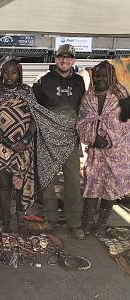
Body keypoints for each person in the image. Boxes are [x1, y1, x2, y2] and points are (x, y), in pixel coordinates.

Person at [32, 44, 86, 240]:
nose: (65, 61)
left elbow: (84, 109)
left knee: (72, 182)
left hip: (70, 138)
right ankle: (50, 218)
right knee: (47, 180)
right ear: (55, 59)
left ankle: (74, 223)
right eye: (61, 57)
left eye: (69, 58)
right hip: (47, 139)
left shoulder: (80, 82)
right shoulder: (42, 81)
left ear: (73, 60)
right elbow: (33, 109)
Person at [77, 61, 130, 236]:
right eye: (97, 75)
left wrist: (109, 139)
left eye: (103, 76)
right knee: (91, 187)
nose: (99, 79)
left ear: (111, 77)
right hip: (95, 152)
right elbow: (82, 122)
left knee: (110, 189)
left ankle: (102, 223)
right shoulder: (88, 97)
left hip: (116, 152)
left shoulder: (120, 97)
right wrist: (94, 138)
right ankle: (88, 221)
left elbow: (125, 124)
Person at [0, 59, 37, 234]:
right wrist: (8, 142)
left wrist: (25, 141)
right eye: (6, 72)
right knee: (5, 186)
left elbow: (36, 119)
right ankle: (6, 222)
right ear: (2, 73)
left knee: (19, 186)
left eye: (13, 72)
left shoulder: (27, 92)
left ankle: (21, 221)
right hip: (3, 148)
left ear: (19, 73)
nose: (9, 76)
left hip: (23, 147)